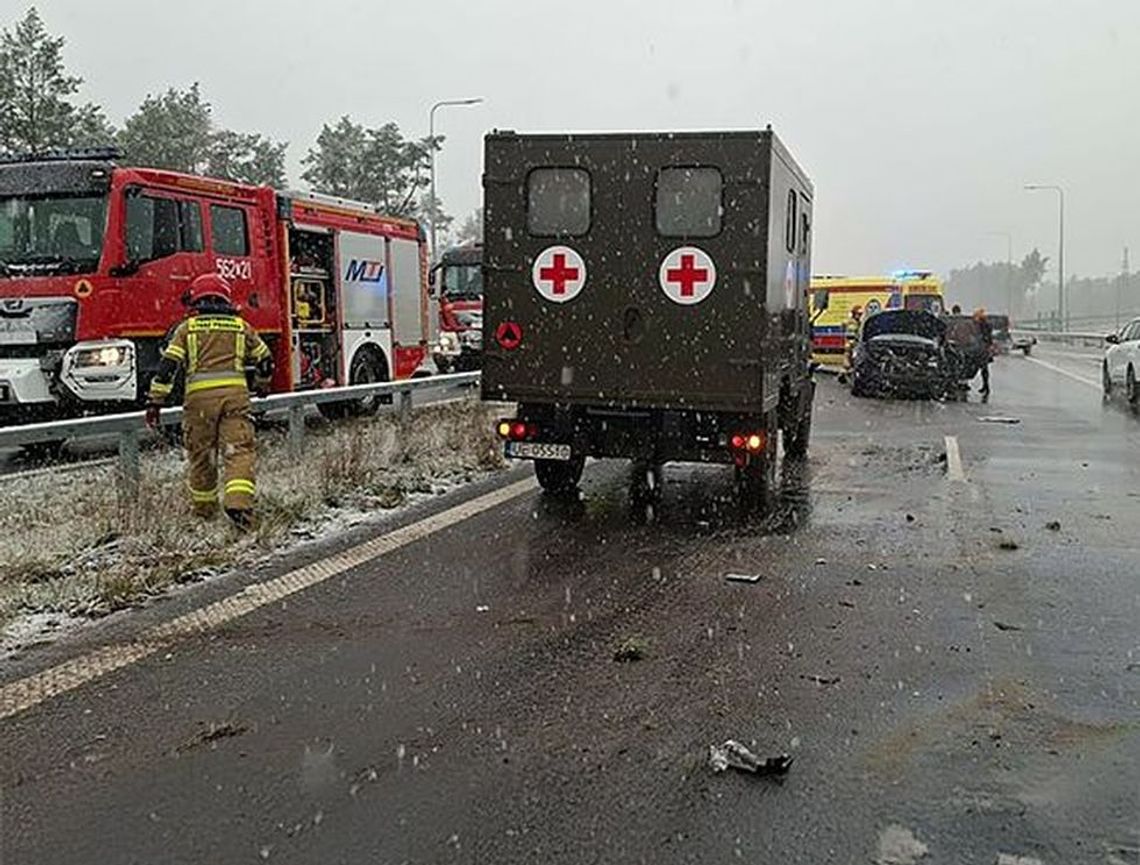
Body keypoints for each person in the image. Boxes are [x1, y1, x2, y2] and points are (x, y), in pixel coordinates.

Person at [146, 273, 274, 530]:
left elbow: (168, 366)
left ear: (196, 298)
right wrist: (262, 385)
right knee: (239, 451)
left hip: (198, 403)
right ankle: (239, 505)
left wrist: (155, 401)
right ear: (225, 297)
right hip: (235, 399)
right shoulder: (241, 327)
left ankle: (205, 512)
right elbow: (265, 358)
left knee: (201, 456)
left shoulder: (187, 329)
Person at [973, 307, 994, 396]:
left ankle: (986, 386)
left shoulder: (983, 325)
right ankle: (986, 386)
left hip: (982, 348)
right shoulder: (985, 324)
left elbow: (984, 336)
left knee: (983, 369)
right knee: (984, 369)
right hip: (983, 348)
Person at [844, 305, 863, 371]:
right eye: (858, 314)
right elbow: (849, 331)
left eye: (860, 314)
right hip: (850, 341)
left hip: (856, 342)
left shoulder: (859, 322)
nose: (859, 316)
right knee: (848, 355)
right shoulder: (851, 322)